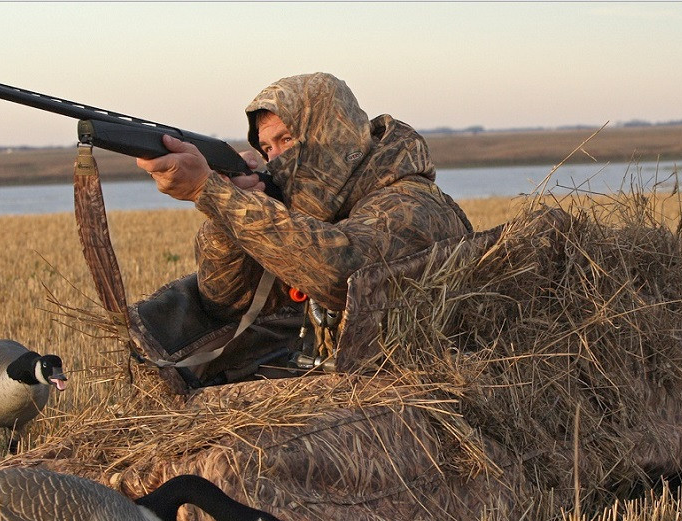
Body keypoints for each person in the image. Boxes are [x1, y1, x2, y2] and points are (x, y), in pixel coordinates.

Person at [135, 72, 472, 384]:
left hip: (416, 395)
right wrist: (233, 207)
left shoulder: (410, 204)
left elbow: (344, 278)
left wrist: (210, 192)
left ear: (332, 136)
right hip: (343, 389)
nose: (276, 157)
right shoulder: (315, 213)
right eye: (267, 148)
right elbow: (226, 301)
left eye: (287, 139)